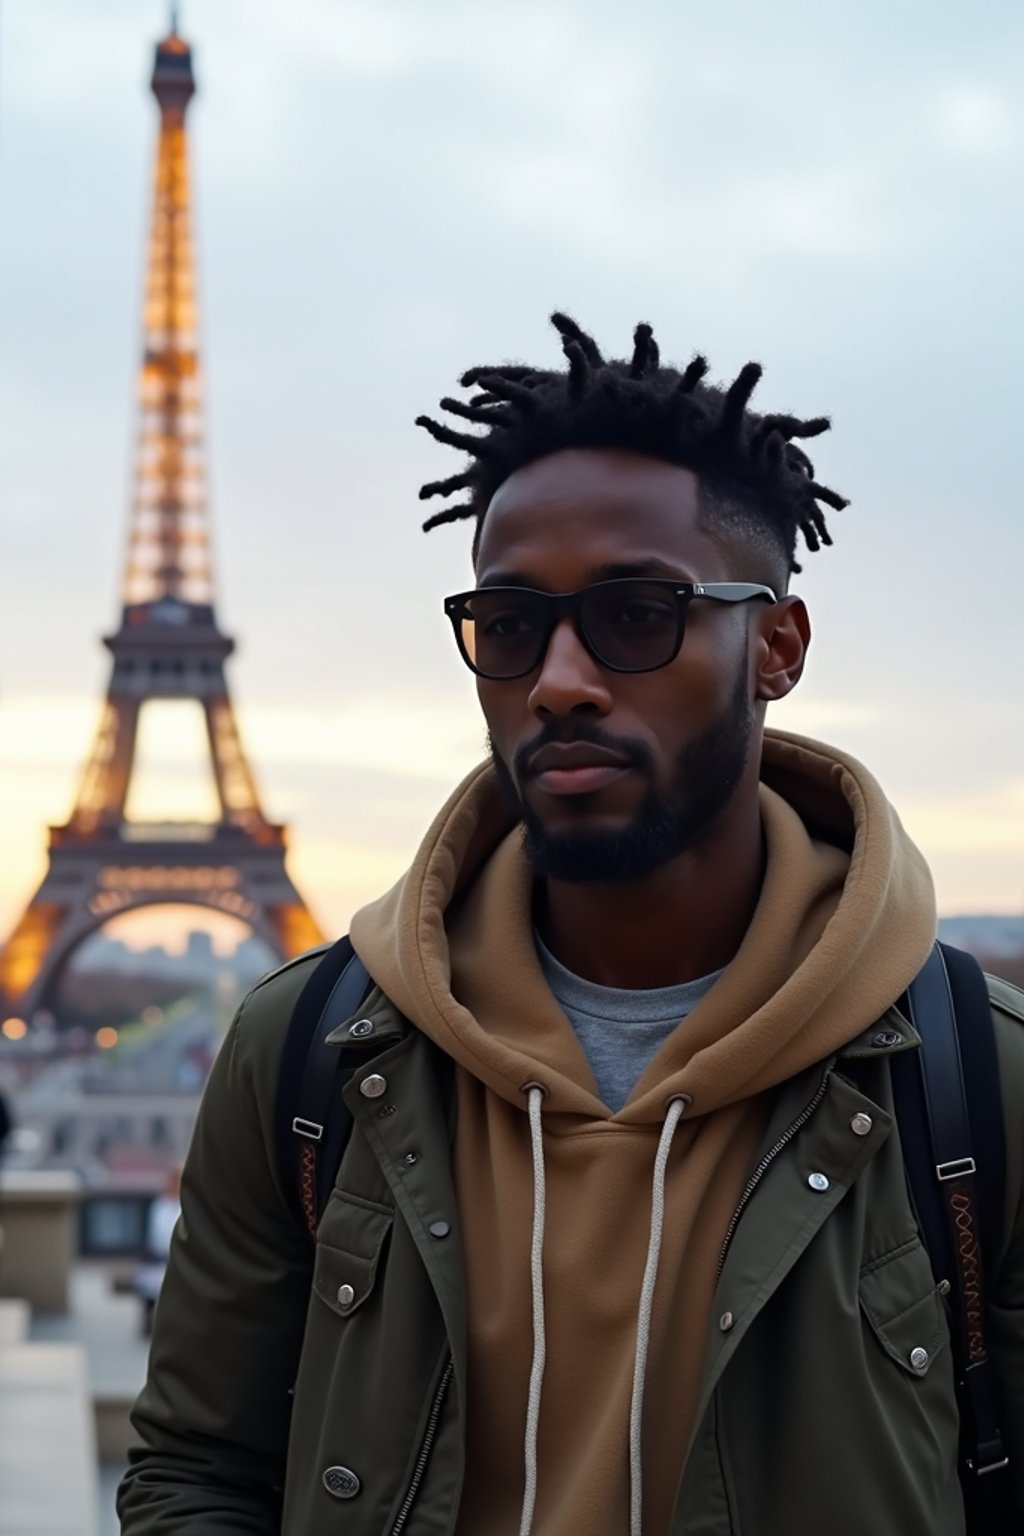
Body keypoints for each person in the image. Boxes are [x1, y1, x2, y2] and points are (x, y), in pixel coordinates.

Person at [118, 315, 1024, 1536]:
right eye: (508, 624)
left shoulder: (989, 1083)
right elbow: (195, 1471)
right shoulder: (301, 1058)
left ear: (776, 647)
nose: (558, 679)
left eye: (635, 615)